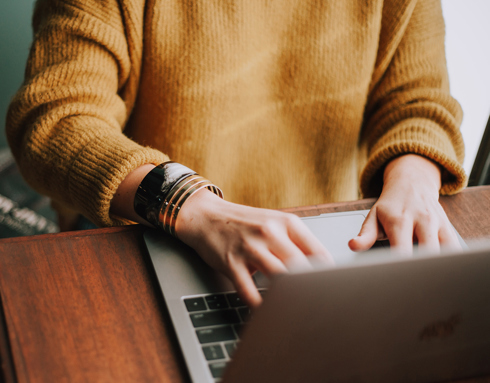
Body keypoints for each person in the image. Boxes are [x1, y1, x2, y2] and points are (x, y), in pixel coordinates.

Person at [6, 0, 466, 307]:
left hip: (320, 245)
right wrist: (193, 206)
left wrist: (415, 179)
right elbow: (55, 118)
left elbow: (418, 101)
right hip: (147, 232)